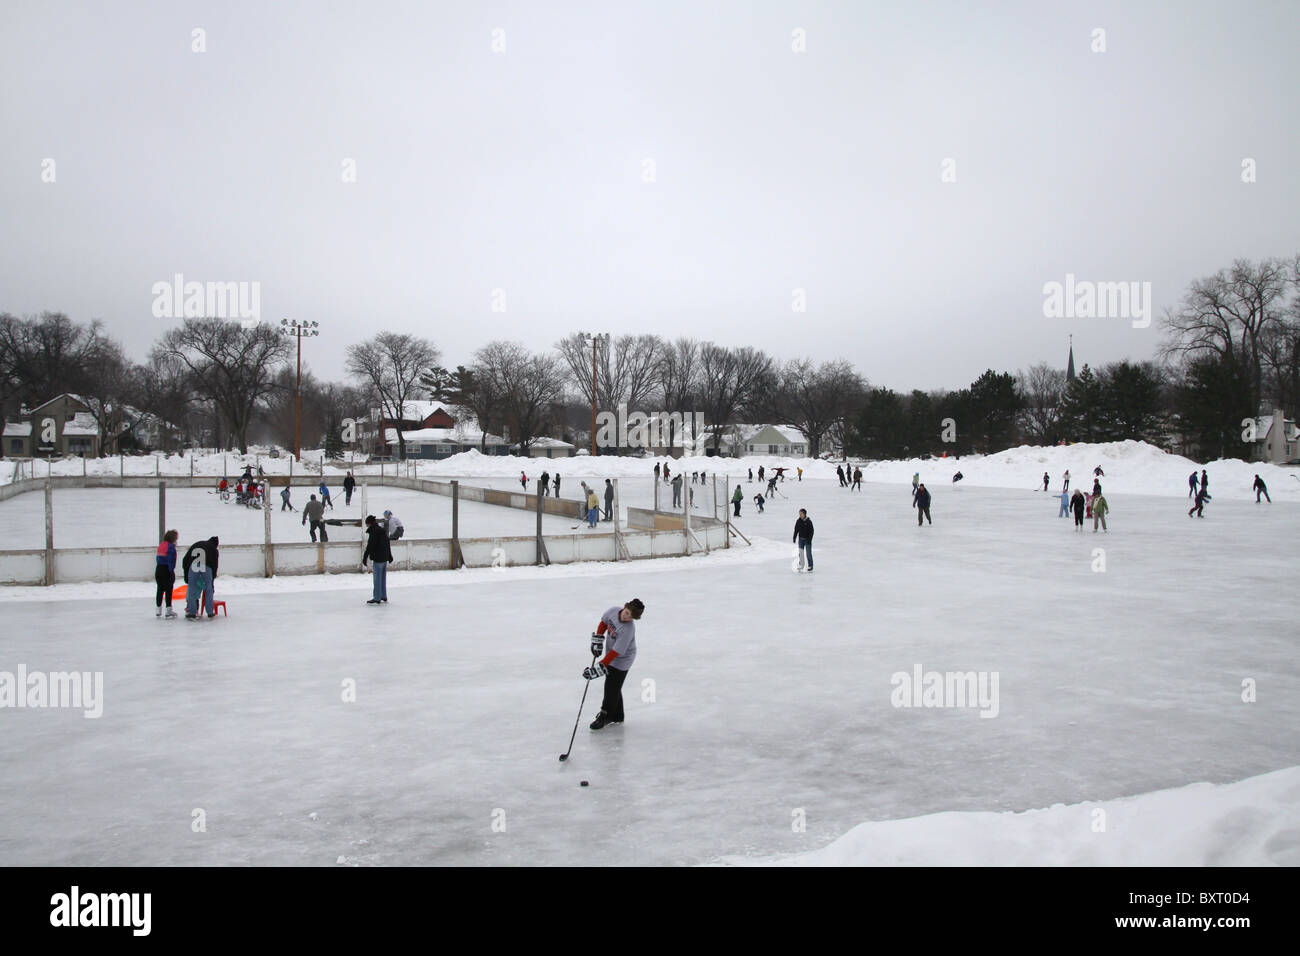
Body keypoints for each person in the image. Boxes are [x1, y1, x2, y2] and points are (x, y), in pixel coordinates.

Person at [585, 599, 646, 730]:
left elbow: (617, 652)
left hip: (622, 659)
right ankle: (618, 715)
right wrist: (598, 641)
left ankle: (606, 715)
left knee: (611, 686)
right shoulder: (613, 611)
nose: (627, 617)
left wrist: (600, 666)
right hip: (611, 653)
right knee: (614, 685)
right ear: (625, 607)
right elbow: (604, 623)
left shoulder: (628, 629)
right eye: (627, 612)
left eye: (631, 617)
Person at [182, 536, 219, 620]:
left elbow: (185, 559)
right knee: (208, 589)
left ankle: (192, 612)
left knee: (192, 588)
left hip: (194, 565)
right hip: (206, 566)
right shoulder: (213, 549)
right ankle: (210, 612)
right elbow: (215, 564)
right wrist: (212, 577)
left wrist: (186, 574)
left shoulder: (197, 544)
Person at [362, 515, 392, 604]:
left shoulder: (374, 532)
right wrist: (389, 555)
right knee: (382, 578)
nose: (366, 526)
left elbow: (371, 545)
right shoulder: (382, 530)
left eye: (366, 524)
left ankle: (377, 597)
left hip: (378, 558)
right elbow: (387, 543)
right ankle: (383, 595)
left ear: (369, 523)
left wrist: (365, 556)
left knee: (377, 578)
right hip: (384, 557)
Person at [155, 529, 178, 618]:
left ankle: (158, 609)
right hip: (166, 570)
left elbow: (158, 558)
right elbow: (171, 561)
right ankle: (168, 611)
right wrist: (171, 572)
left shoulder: (161, 545)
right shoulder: (171, 547)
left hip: (158, 569)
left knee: (160, 589)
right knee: (169, 589)